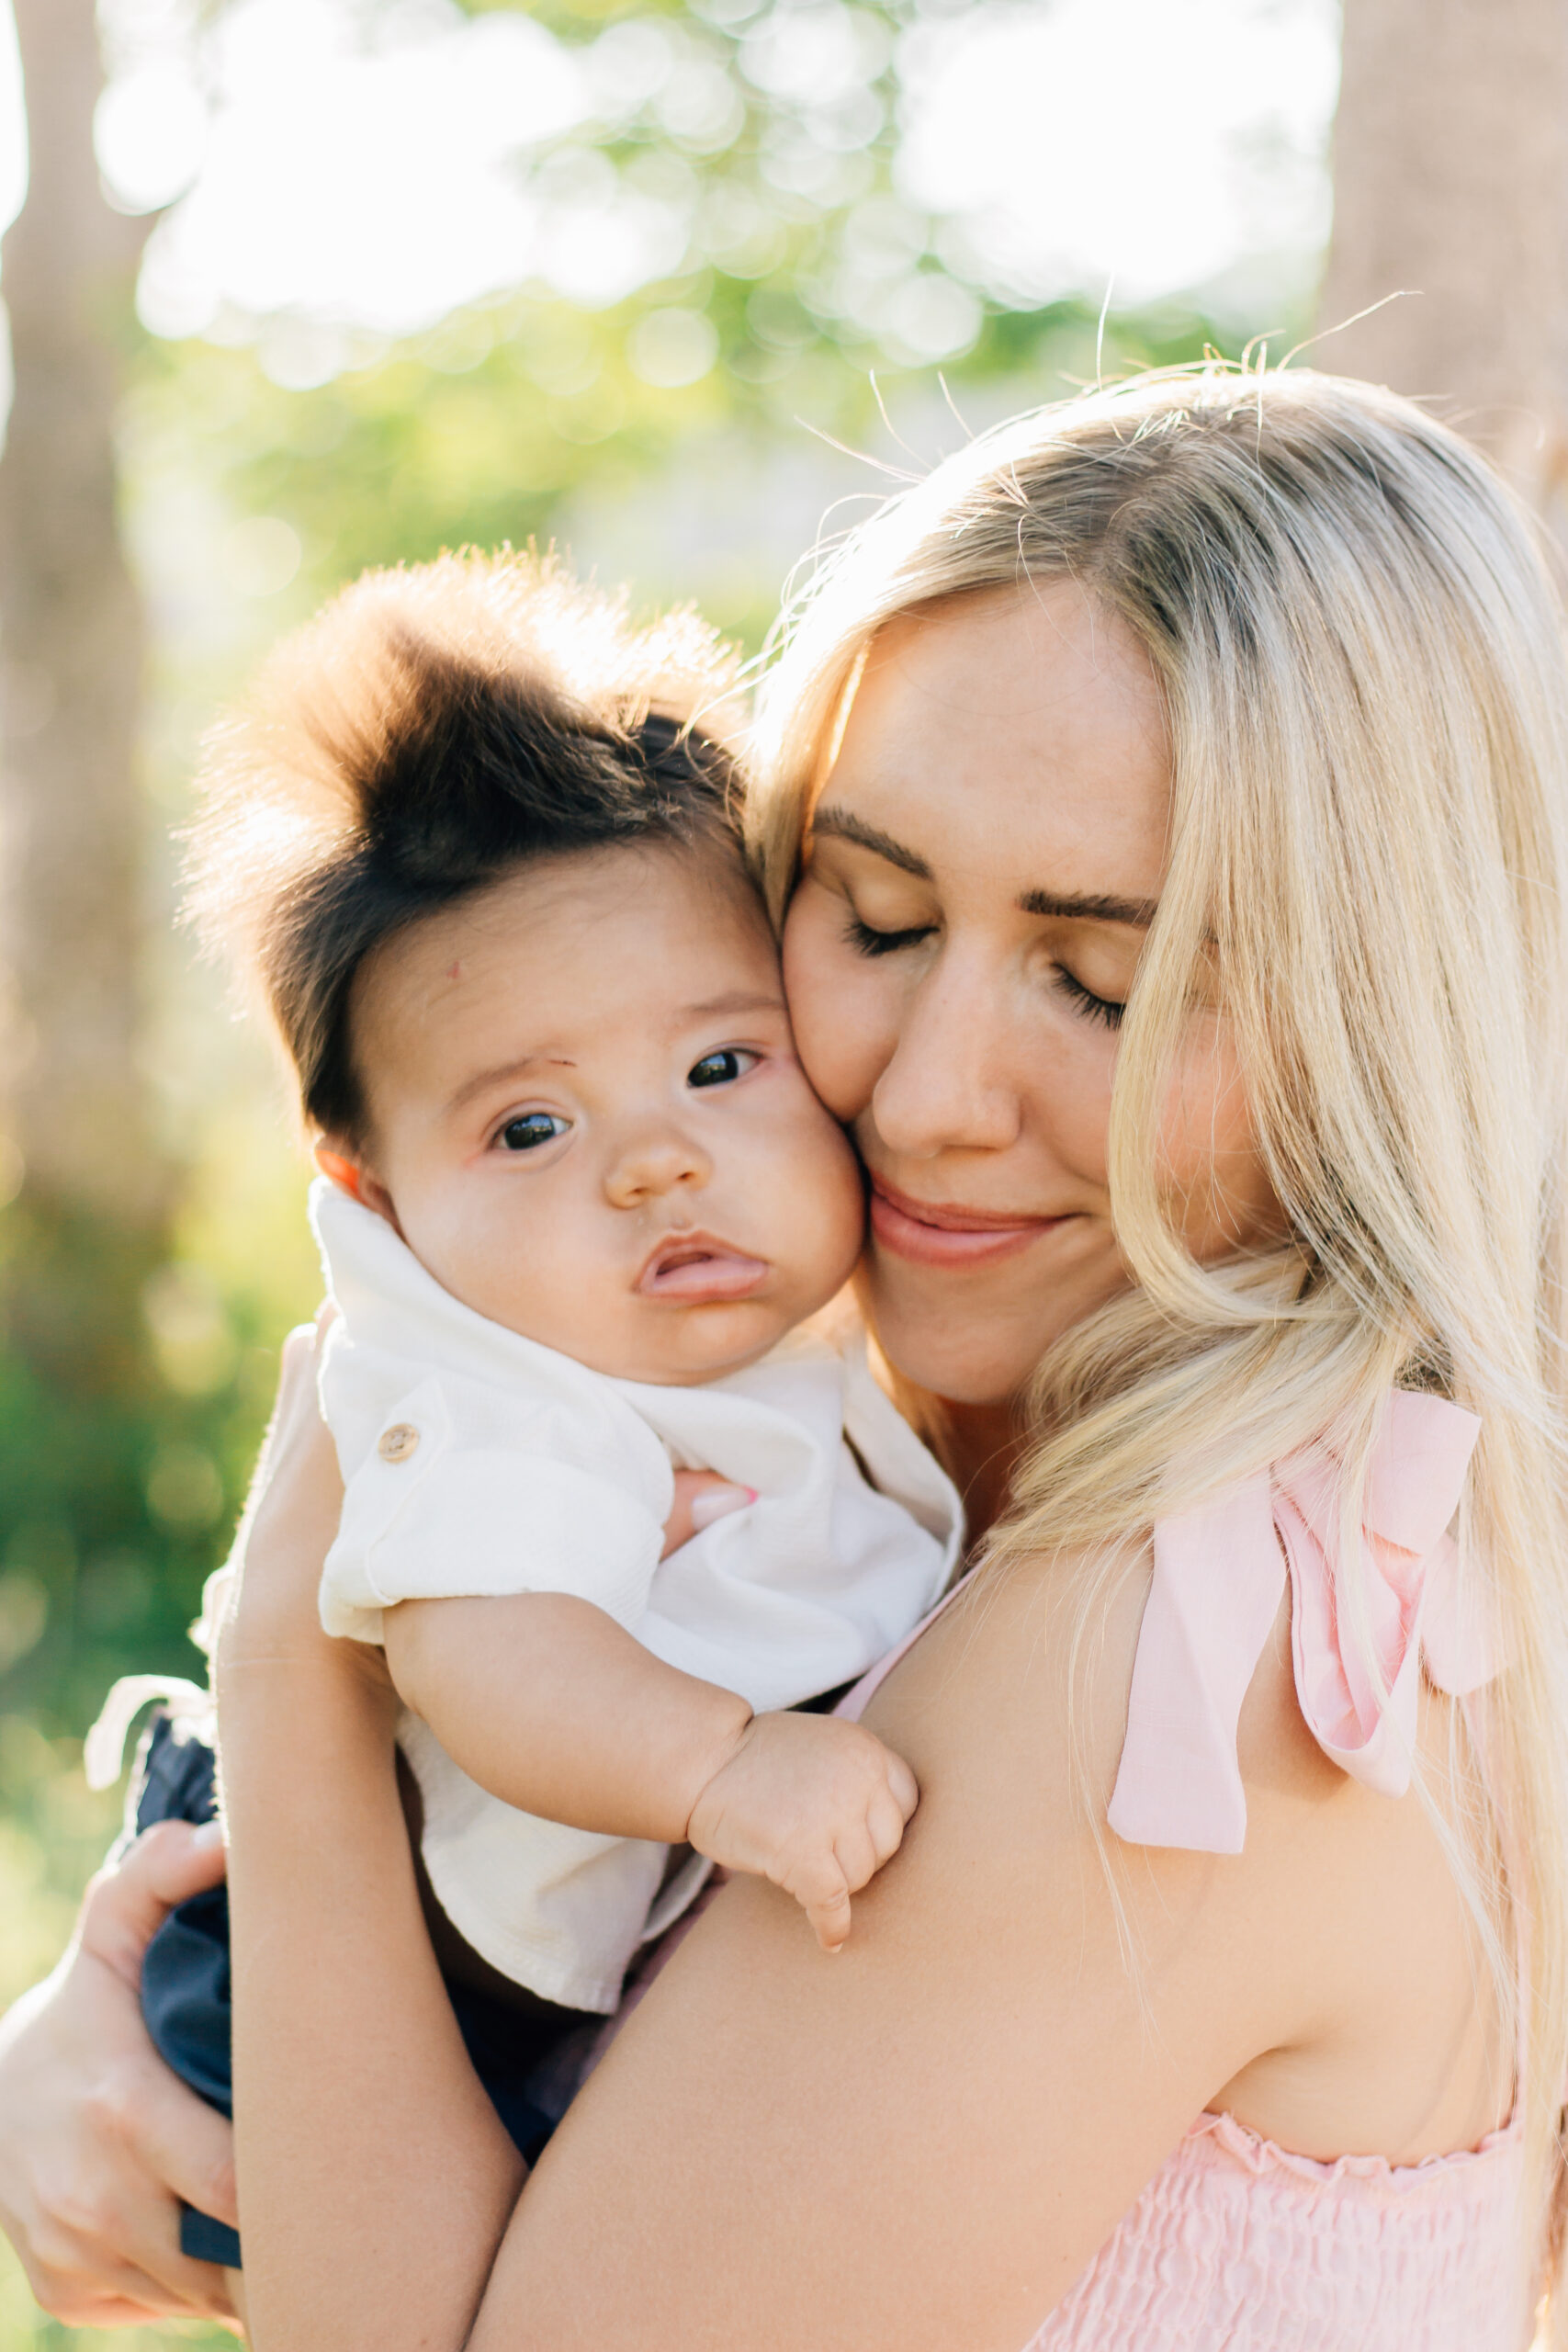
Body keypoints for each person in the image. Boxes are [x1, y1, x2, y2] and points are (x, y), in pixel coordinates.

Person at [6, 361, 1568, 2345]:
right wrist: (131, 2012)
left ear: (1392, 1010)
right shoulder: (969, 1471)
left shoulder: (1180, 1659)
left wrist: (291, 1681)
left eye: (1098, 982)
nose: (921, 1097)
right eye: (875, 913)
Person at [85, 551, 960, 2266]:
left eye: (722, 1065)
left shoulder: (768, 1329)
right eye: (530, 1131)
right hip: (353, 1935)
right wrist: (722, 1769)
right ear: (374, 1195)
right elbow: (489, 1659)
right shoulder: (493, 1393)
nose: (655, 1159)